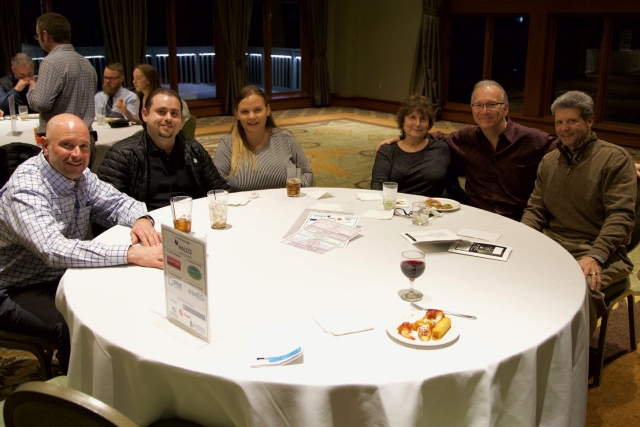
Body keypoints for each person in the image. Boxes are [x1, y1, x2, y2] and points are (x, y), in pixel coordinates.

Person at [0, 113, 164, 374]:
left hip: (63, 274)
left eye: (84, 146)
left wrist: (142, 219)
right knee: (78, 324)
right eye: (67, 145)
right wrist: (130, 253)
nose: (77, 154)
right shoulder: (26, 189)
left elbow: (118, 202)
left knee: (124, 297)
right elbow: (53, 250)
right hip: (15, 287)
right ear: (45, 145)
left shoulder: (81, 175)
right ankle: (79, 392)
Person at [521, 91, 636, 335]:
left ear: (589, 120)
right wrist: (522, 240)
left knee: (577, 290)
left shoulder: (614, 159)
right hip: (552, 245)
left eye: (572, 121)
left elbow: (621, 217)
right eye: (559, 122)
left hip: (600, 252)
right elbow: (536, 209)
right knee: (507, 272)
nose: (564, 128)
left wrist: (596, 256)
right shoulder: (549, 161)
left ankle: (569, 355)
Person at [379, 80, 556, 221]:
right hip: (474, 217)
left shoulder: (530, 139)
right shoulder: (466, 138)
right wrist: (403, 137)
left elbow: (562, 150)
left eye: (491, 104)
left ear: (505, 109)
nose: (484, 111)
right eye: (478, 105)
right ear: (472, 109)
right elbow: (436, 136)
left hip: (515, 220)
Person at [98, 88, 228, 210]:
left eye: (174, 113)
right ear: (145, 114)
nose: (168, 118)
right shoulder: (122, 155)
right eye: (161, 112)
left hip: (189, 221)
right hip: (145, 223)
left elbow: (220, 191)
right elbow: (106, 207)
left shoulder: (194, 150)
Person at [214, 85, 312, 191]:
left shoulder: (286, 138)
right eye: (245, 112)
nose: (252, 116)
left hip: (284, 201)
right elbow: (215, 184)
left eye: (257, 110)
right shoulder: (227, 144)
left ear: (267, 110)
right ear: (237, 114)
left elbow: (306, 173)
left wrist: (296, 193)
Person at [371, 94, 465, 200]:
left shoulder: (441, 149)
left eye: (423, 119)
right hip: (396, 206)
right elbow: (377, 187)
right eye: (412, 117)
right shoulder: (387, 150)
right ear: (402, 121)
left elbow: (453, 187)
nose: (417, 123)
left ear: (429, 124)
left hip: (431, 208)